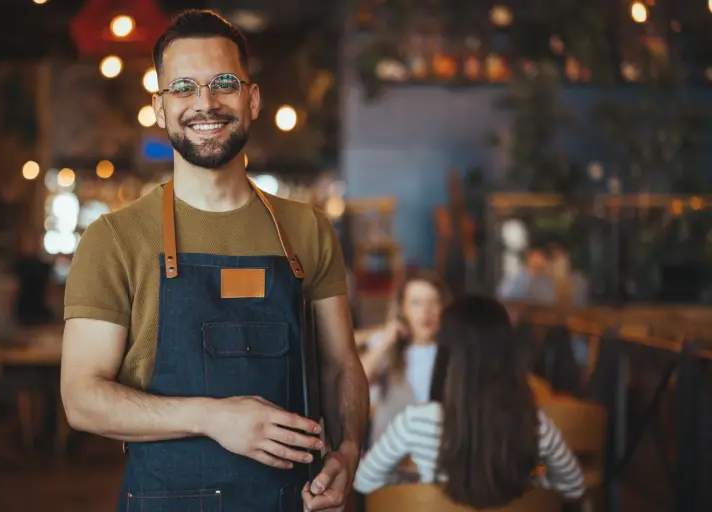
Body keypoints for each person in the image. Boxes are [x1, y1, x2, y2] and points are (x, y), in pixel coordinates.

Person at [59, 10, 368, 512]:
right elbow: (81, 399)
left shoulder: (306, 229)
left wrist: (349, 451)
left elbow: (340, 366)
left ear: (252, 99)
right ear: (159, 108)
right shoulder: (114, 239)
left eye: (224, 83)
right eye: (183, 87)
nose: (205, 103)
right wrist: (214, 417)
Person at [353, 295, 585, 508]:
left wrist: (418, 484)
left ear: (445, 356)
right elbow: (574, 487)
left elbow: (364, 480)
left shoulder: (416, 422)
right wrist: (535, 487)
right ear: (509, 356)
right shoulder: (535, 425)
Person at [357, 271, 445, 443]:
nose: (425, 311)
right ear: (403, 309)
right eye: (416, 303)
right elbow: (355, 382)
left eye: (432, 302)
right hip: (389, 455)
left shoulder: (454, 352)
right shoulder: (386, 346)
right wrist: (384, 342)